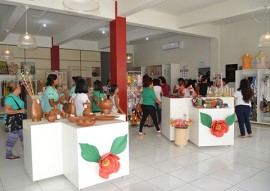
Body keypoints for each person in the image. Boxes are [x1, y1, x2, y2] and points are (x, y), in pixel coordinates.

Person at [4, 82, 25, 160]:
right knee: (13, 138)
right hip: (12, 122)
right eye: (19, 87)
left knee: (23, 137)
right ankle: (8, 154)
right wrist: (19, 111)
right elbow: (6, 111)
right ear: (16, 88)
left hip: (18, 121)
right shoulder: (10, 98)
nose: (20, 88)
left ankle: (27, 153)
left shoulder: (17, 96)